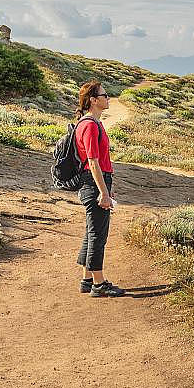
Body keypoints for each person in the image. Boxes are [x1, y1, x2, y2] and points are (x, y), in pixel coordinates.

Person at [74, 80, 125, 297]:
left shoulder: (93, 123)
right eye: (104, 95)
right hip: (93, 182)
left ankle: (87, 279)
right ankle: (99, 284)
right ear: (93, 101)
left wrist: (107, 187)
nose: (108, 98)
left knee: (91, 231)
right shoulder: (89, 125)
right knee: (98, 234)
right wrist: (103, 192)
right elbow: (93, 161)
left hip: (97, 181)